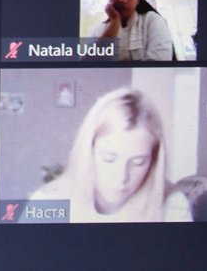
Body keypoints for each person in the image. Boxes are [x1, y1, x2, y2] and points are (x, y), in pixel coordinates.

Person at [30, 87, 190, 222]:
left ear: (153, 160)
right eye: (109, 159)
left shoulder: (173, 206)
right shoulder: (47, 203)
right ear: (88, 151)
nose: (121, 176)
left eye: (138, 162)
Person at [91, 0, 177, 61]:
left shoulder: (152, 20)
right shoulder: (98, 30)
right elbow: (89, 65)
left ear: (138, 0)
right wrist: (114, 23)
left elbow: (160, 62)